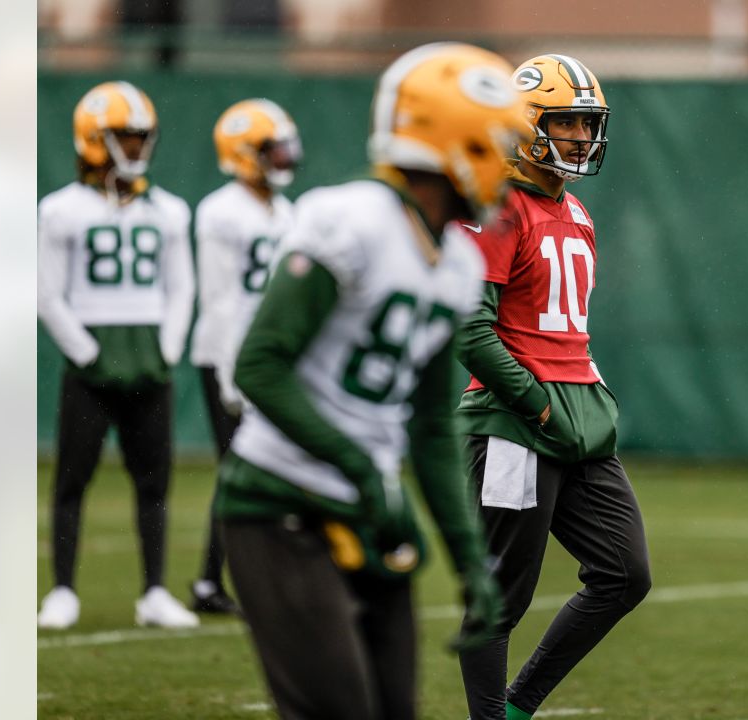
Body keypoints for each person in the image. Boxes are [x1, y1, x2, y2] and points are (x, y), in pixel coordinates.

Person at [212, 42, 531, 720]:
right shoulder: (349, 218)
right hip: (278, 502)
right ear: (459, 142)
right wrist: (362, 468)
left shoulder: (457, 264)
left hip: (369, 506)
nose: (509, 167)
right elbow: (258, 367)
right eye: (499, 144)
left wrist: (471, 561)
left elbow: (432, 427)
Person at [456, 54, 652, 720]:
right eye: (567, 122)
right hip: (514, 423)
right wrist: (538, 404)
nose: (579, 137)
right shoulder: (496, 206)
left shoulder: (579, 214)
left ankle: (518, 706)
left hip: (580, 419)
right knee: (501, 597)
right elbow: (471, 332)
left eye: (586, 123)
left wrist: (581, 405)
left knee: (625, 575)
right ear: (525, 125)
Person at [37, 80, 199, 630]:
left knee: (154, 481)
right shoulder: (60, 210)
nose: (136, 148)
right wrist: (86, 353)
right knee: (71, 481)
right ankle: (62, 589)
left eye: (140, 137)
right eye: (125, 138)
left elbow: (182, 288)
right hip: (92, 366)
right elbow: (47, 294)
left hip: (148, 362)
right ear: (93, 139)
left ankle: (154, 590)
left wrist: (167, 347)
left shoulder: (169, 210)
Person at [187, 98, 302, 615]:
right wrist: (234, 378)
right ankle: (214, 582)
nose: (281, 158)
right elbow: (221, 300)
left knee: (272, 468)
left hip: (273, 356)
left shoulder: (287, 211)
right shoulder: (220, 210)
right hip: (227, 355)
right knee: (240, 468)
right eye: (270, 149)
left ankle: (224, 579)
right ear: (242, 153)